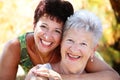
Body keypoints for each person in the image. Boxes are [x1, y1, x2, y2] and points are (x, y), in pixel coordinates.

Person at [0, 0, 119, 80]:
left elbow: (113, 76)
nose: (47, 36)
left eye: (57, 31)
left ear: (63, 35)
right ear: (34, 24)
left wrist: (62, 77)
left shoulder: (75, 52)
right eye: (43, 26)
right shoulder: (15, 47)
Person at [25, 10, 120, 80]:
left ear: (93, 50)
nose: (74, 49)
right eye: (70, 40)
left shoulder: (100, 77)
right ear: (61, 42)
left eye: (83, 44)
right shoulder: (42, 73)